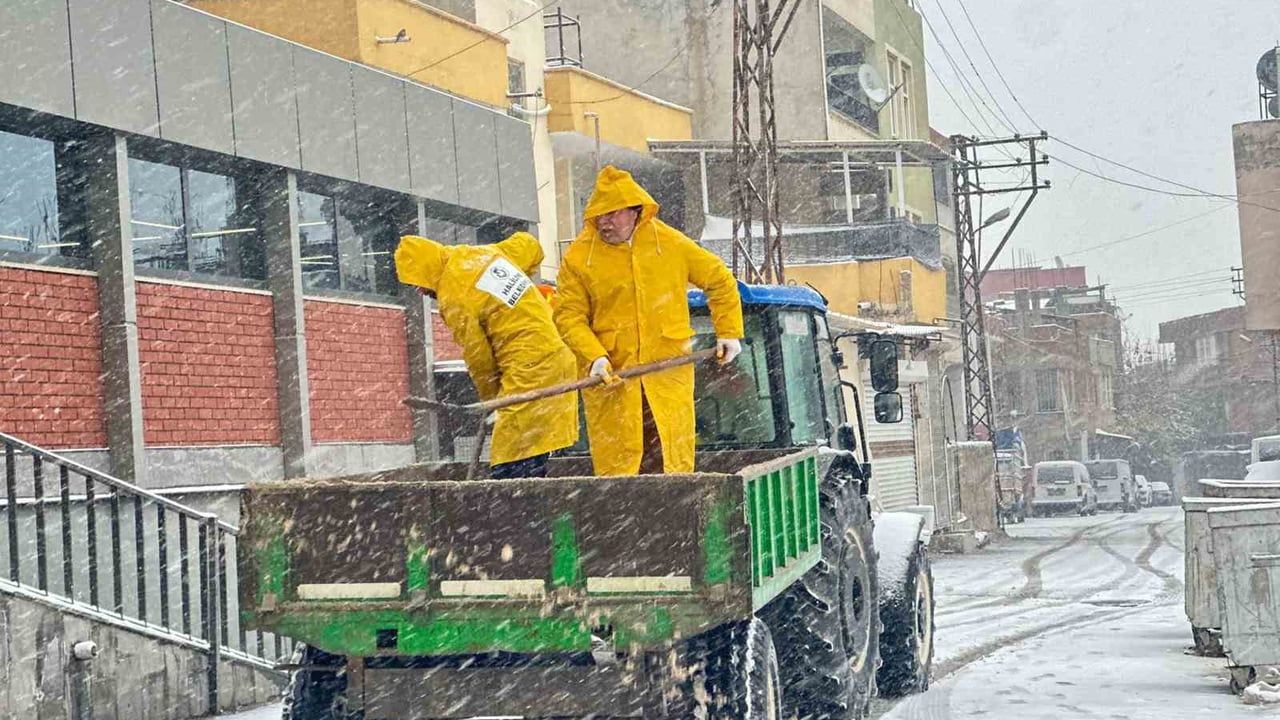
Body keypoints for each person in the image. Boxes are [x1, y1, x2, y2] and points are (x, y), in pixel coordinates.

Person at [554, 165, 744, 476]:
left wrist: (729, 332)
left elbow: (720, 280)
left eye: (612, 214)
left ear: (635, 211)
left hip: (666, 375)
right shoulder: (579, 258)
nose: (604, 222)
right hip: (614, 379)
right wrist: (595, 357)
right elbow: (567, 315)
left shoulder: (670, 244)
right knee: (621, 468)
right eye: (599, 215)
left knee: (670, 461)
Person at [394, 231, 578, 478]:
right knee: (532, 448)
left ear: (426, 269)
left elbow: (479, 357)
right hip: (558, 356)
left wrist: (491, 398)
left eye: (417, 282)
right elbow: (530, 245)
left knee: (511, 457)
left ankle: (523, 510)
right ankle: (536, 503)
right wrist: (520, 280)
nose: (419, 290)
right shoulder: (485, 254)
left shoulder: (454, 295)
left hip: (528, 368)